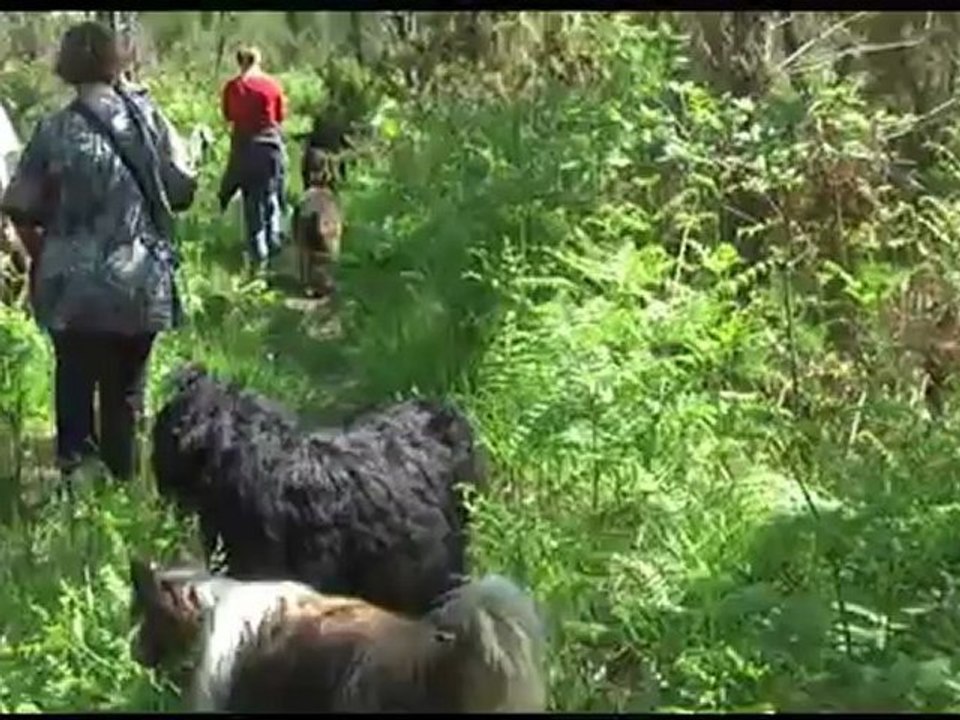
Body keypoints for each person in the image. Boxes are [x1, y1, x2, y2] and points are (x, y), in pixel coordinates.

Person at [0, 21, 196, 484]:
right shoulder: (148, 120)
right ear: (117, 61)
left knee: (73, 386)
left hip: (71, 288)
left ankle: (79, 494)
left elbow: (20, 208)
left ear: (66, 65)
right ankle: (122, 490)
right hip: (140, 283)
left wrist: (41, 257)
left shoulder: (53, 130)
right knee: (126, 395)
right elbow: (182, 190)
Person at [219, 46, 287, 273]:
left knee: (253, 207)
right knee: (273, 197)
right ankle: (276, 244)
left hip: (245, 149)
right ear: (259, 60)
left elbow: (229, 116)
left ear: (239, 62)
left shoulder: (233, 87)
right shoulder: (272, 85)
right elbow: (279, 117)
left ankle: (260, 263)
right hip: (271, 148)